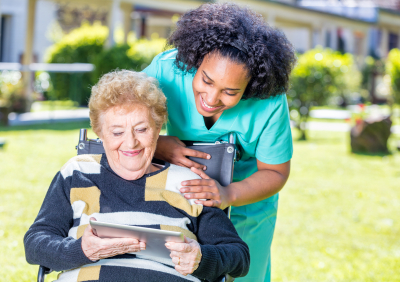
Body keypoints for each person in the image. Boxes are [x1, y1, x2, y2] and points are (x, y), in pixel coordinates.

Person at [24, 70, 250, 282]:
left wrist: (201, 258)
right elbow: (35, 244)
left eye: (141, 129)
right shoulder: (78, 172)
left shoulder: (190, 183)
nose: (130, 142)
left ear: (158, 128)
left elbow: (238, 256)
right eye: (117, 132)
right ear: (99, 132)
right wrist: (81, 250)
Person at [143, 3, 296, 281]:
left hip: (247, 200)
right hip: (180, 196)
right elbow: (118, 120)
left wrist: (228, 194)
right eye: (206, 80)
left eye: (230, 91)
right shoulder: (166, 70)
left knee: (244, 272)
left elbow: (275, 172)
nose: (212, 99)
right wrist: (157, 143)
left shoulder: (269, 100)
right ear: (195, 60)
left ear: (252, 87)